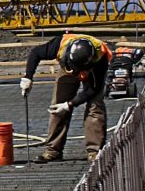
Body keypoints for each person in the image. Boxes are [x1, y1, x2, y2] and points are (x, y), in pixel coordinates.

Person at [19, 33, 111, 163]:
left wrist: (70, 104)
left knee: (94, 107)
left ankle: (95, 152)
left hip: (91, 72)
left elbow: (93, 89)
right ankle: (53, 151)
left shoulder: (100, 58)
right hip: (67, 66)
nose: (76, 74)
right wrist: (28, 77)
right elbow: (36, 53)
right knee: (57, 106)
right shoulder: (59, 45)